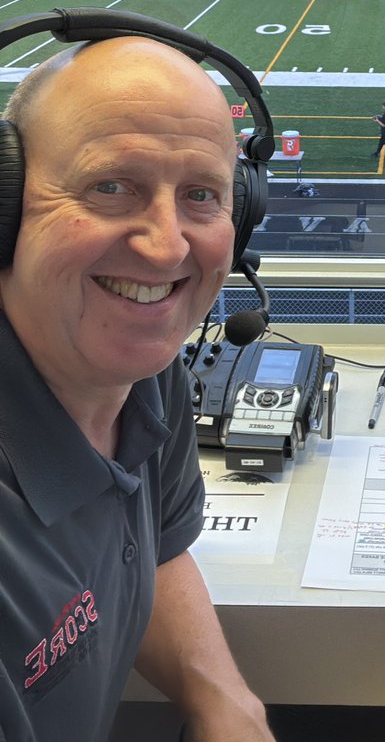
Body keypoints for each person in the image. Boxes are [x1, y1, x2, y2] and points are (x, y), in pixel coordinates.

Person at [0, 36, 274, 742]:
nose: (166, 246)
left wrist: (223, 701)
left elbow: (154, 546)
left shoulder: (145, 372)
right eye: (110, 187)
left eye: (201, 196)